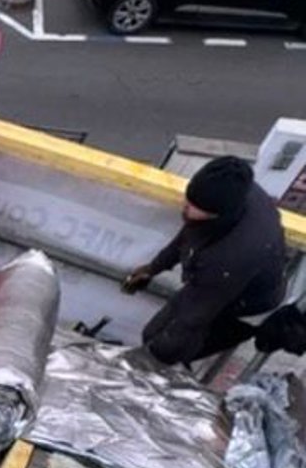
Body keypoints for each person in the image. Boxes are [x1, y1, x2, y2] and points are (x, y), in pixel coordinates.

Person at [122, 155, 286, 370]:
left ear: (218, 214)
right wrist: (154, 267)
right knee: (152, 334)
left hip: (244, 307)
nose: (185, 208)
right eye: (188, 200)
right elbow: (192, 233)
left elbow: (192, 318)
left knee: (173, 349)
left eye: (193, 207)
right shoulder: (232, 191)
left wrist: (149, 360)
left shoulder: (230, 257)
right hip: (216, 281)